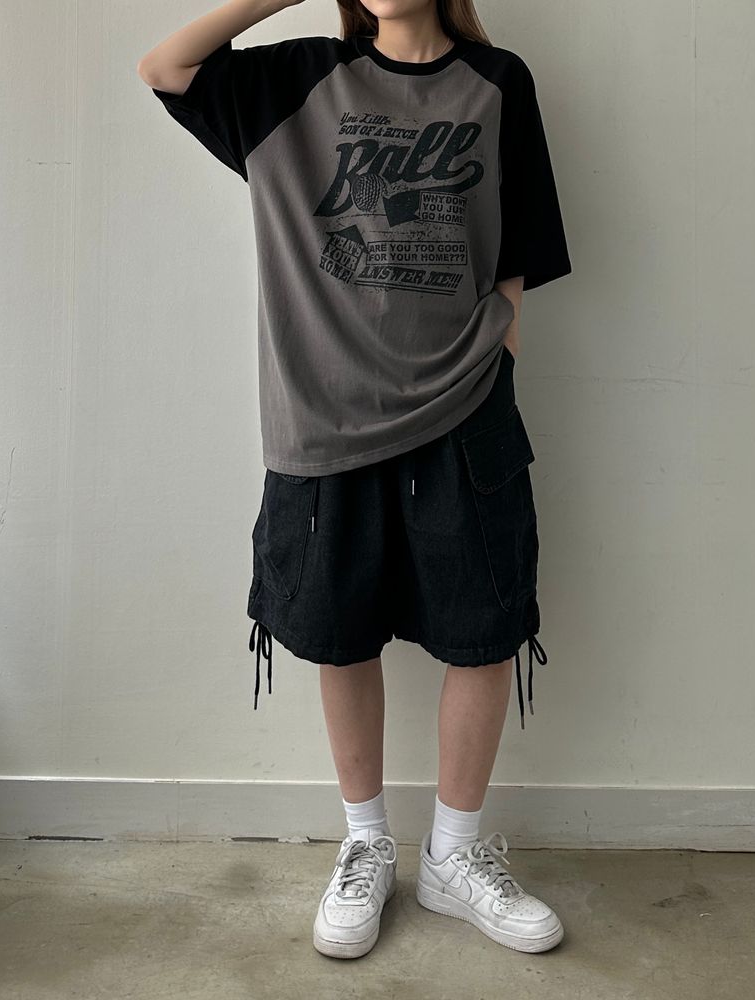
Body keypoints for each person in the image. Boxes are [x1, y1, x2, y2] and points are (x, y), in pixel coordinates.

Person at [138, 0, 572, 959]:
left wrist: (495, 364)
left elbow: (519, 255)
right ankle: (365, 841)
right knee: (340, 630)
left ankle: (455, 855)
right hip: (325, 417)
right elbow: (166, 68)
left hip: (464, 408)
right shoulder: (296, 81)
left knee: (483, 628)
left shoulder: (499, 85)